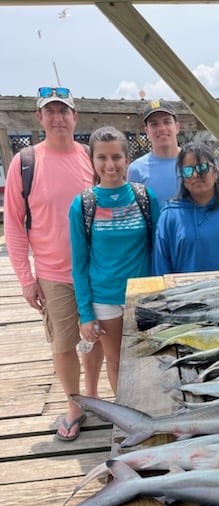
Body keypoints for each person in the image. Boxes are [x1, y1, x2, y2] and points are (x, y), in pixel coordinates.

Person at [3, 86, 104, 442]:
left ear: (75, 118)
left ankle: (92, 394)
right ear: (39, 118)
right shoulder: (25, 162)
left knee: (95, 338)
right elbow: (15, 224)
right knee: (63, 344)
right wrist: (26, 279)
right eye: (51, 111)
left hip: (95, 271)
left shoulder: (92, 157)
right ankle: (74, 404)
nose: (58, 117)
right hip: (52, 274)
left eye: (65, 111)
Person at [69, 126, 160, 396]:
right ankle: (126, 414)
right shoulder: (83, 204)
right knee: (116, 360)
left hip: (143, 295)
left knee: (147, 355)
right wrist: (85, 314)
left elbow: (159, 248)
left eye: (116, 157)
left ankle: (150, 405)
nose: (110, 165)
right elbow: (79, 264)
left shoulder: (145, 197)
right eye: (102, 158)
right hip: (105, 298)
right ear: (93, 161)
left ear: (127, 160)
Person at [152, 141, 219, 275]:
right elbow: (161, 269)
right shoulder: (169, 216)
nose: (195, 175)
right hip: (187, 294)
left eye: (202, 168)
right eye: (188, 171)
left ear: (216, 172)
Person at [127, 98, 180, 207]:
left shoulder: (195, 162)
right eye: (154, 124)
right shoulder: (136, 170)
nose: (161, 128)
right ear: (147, 131)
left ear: (177, 127)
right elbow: (134, 215)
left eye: (167, 122)